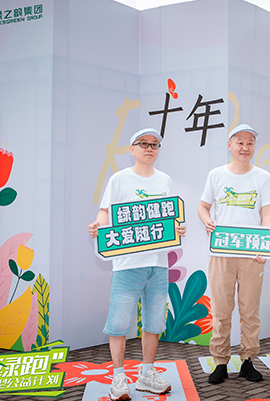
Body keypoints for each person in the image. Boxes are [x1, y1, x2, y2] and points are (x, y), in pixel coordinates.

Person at [88, 128, 186, 401]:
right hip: (127, 264)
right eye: (143, 144)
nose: (149, 148)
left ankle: (147, 374)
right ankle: (119, 377)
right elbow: (106, 211)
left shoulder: (164, 180)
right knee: (119, 323)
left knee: (154, 322)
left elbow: (171, 216)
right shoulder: (119, 179)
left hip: (158, 264)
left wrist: (178, 228)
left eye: (154, 144)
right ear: (132, 149)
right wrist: (98, 226)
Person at [198, 123, 270, 385]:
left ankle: (248, 360)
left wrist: (264, 245)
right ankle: (220, 361)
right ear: (230, 145)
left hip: (252, 252)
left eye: (250, 143)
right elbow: (203, 207)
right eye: (240, 142)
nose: (245, 147)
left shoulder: (262, 177)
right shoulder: (216, 175)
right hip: (221, 251)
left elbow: (267, 214)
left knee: (249, 309)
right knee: (221, 309)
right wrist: (207, 220)